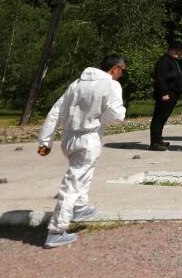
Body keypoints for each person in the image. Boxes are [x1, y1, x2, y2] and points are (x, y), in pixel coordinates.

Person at [37, 55, 127, 248]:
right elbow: (117, 114)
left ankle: (79, 208)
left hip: (68, 139)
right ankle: (56, 230)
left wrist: (46, 142)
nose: (122, 75)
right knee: (72, 184)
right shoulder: (111, 85)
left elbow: (56, 111)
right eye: (123, 70)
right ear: (115, 68)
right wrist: (101, 119)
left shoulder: (77, 83)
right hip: (88, 138)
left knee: (83, 173)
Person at [150, 40, 182, 151]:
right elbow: (160, 78)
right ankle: (154, 143)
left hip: (173, 93)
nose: (180, 53)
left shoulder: (173, 61)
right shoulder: (164, 61)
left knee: (163, 118)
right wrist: (164, 93)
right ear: (172, 50)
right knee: (159, 118)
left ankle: (159, 139)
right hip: (166, 94)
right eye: (178, 51)